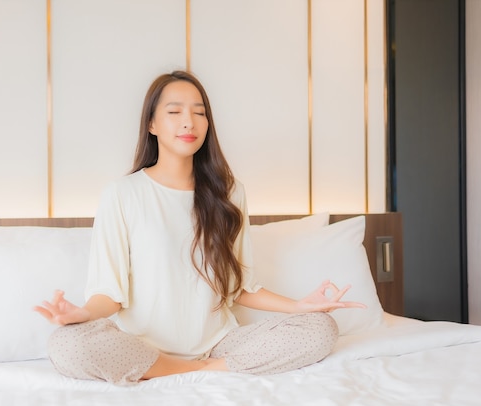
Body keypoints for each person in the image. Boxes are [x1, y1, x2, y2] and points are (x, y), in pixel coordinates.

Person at [35, 70, 365, 385]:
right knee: (65, 344)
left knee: (321, 327)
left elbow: (238, 286)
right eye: (174, 111)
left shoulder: (230, 192)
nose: (188, 122)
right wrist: (81, 314)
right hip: (142, 348)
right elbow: (109, 293)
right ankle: (187, 369)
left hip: (219, 345)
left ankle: (202, 367)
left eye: (199, 112)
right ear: (151, 124)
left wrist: (299, 306)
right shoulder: (123, 194)